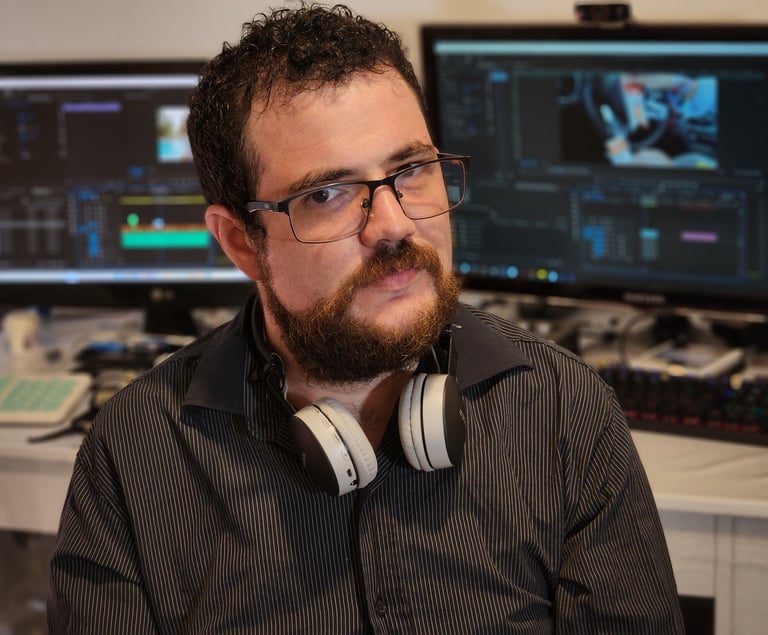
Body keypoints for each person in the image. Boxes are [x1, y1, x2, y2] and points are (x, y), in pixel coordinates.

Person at [48, 4, 685, 633]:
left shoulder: (563, 409)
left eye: (412, 171)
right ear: (242, 242)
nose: (394, 225)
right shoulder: (136, 451)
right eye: (326, 194)